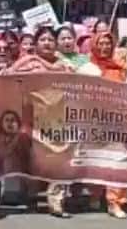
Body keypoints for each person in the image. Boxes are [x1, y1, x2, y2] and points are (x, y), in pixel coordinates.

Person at [8, 26, 76, 216]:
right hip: (32, 117)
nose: (47, 43)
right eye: (43, 40)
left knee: (60, 159)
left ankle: (56, 201)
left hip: (58, 119)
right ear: (36, 44)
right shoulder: (27, 63)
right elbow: (8, 79)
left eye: (50, 40)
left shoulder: (64, 66)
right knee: (34, 159)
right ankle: (32, 194)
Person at [76, 32, 127, 218]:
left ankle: (114, 202)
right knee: (96, 160)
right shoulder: (87, 69)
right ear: (93, 45)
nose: (105, 47)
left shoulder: (120, 68)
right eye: (100, 43)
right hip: (93, 121)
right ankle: (95, 195)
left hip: (117, 122)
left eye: (108, 43)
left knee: (118, 161)